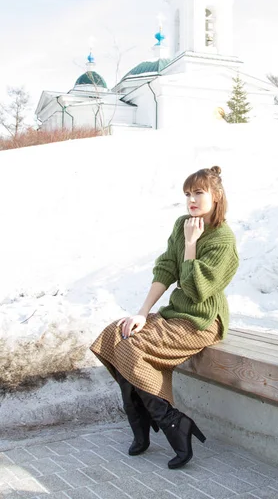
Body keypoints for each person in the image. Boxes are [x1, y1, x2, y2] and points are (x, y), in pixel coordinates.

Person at [90, 166, 239, 469]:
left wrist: (192, 244)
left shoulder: (222, 240)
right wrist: (142, 313)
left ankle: (174, 423)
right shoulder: (183, 224)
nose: (191, 200)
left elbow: (197, 290)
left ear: (216, 195)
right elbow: (167, 269)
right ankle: (141, 421)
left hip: (202, 321)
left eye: (199, 192)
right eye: (188, 194)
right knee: (116, 334)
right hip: (176, 314)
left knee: (132, 348)